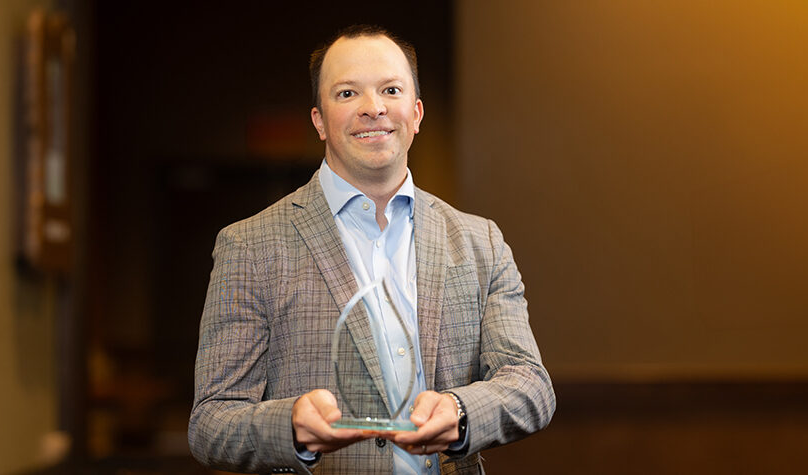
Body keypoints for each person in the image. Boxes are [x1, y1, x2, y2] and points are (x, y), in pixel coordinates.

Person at [188, 25, 555, 474]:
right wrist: (290, 427)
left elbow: (530, 384)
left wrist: (460, 412)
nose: (373, 108)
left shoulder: (482, 243)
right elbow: (211, 421)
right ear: (319, 120)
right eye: (347, 94)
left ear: (416, 113)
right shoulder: (249, 246)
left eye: (391, 90)